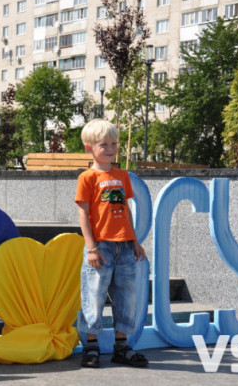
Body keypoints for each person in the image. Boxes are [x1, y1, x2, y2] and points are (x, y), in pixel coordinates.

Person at [75, 119, 148, 369]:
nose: (110, 148)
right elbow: (83, 214)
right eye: (104, 144)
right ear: (89, 148)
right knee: (93, 297)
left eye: (114, 144)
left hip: (125, 247)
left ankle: (122, 347)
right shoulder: (87, 178)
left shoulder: (121, 176)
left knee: (127, 297)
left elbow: (125, 209)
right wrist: (91, 247)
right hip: (101, 248)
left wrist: (135, 241)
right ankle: (92, 346)